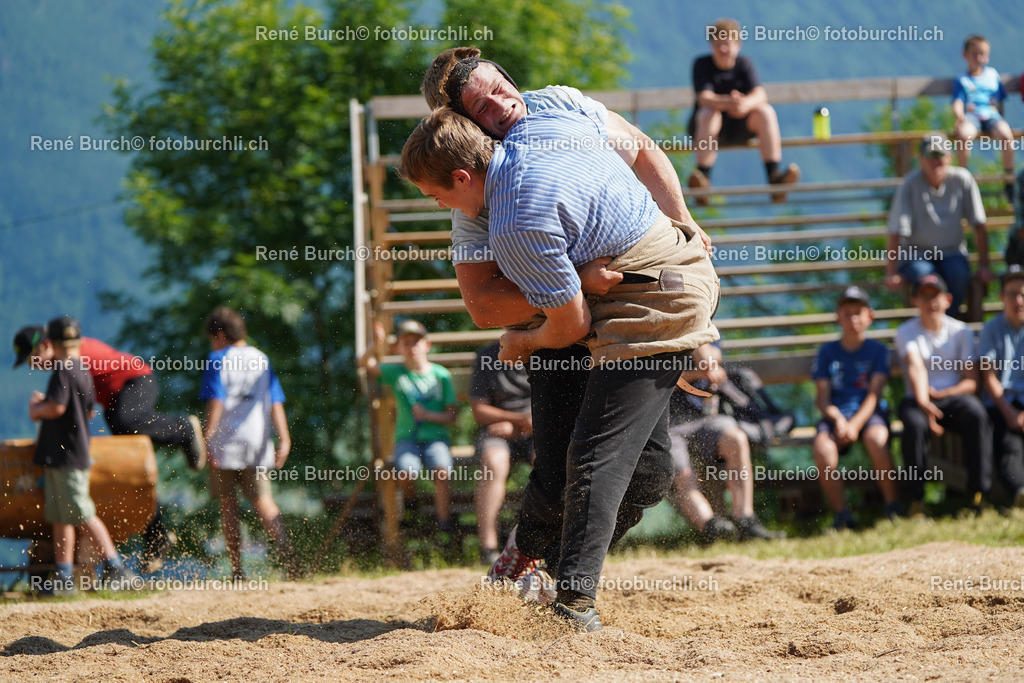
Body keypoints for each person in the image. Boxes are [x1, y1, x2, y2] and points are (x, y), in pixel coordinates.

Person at [401, 106, 719, 631]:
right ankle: (546, 577)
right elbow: (493, 307)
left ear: (461, 174)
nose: (502, 102)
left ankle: (560, 587)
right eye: (482, 102)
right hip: (595, 318)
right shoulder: (499, 193)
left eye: (437, 196)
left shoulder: (544, 138)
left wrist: (522, 337)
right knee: (589, 469)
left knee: (625, 467)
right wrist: (576, 283)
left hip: (645, 308)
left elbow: (642, 148)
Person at [14, 324, 207, 572]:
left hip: (136, 381)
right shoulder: (67, 360)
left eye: (32, 359)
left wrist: (44, 409)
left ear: (46, 345)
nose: (33, 366)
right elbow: (85, 406)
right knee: (132, 468)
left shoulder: (70, 360)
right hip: (116, 397)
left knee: (127, 423)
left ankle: (184, 430)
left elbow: (72, 407)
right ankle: (157, 536)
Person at [28, 316, 136, 595]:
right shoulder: (83, 369)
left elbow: (57, 408)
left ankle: (117, 567)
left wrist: (37, 408)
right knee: (61, 516)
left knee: (83, 513)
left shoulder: (62, 371)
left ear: (50, 343)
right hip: (69, 454)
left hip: (66, 457)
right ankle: (64, 577)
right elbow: (89, 411)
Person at [200, 307, 297, 580]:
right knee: (264, 501)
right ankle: (289, 558)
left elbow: (216, 401)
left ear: (219, 335)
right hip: (256, 443)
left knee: (228, 506)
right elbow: (275, 401)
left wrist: (207, 437)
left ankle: (238, 570)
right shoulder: (261, 358)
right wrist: (284, 438)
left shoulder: (217, 359)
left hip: (224, 444)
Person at [894, 274, 993, 513]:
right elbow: (915, 367)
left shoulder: (962, 331)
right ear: (915, 301)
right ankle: (915, 501)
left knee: (977, 414)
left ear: (947, 299)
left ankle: (979, 494)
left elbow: (971, 383)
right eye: (924, 296)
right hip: (918, 398)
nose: (931, 302)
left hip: (954, 399)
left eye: (935, 296)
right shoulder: (905, 332)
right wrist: (924, 402)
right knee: (915, 425)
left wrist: (943, 394)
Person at [668, 344, 783, 543]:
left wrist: (702, 351)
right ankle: (713, 528)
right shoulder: (664, 330)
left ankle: (745, 521)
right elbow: (661, 380)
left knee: (735, 439)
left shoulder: (702, 324)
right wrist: (698, 373)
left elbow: (713, 355)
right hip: (669, 423)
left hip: (707, 418)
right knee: (683, 472)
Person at [810, 287, 901, 530]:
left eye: (858, 313)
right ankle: (843, 515)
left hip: (869, 414)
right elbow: (822, 399)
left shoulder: (878, 351)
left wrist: (854, 425)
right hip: (836, 414)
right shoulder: (827, 352)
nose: (852, 319)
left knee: (877, 439)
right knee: (822, 449)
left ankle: (893, 508)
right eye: (847, 313)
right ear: (837, 316)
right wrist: (839, 420)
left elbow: (874, 395)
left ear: (869, 316)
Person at [359, 319, 458, 533]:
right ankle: (412, 505)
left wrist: (428, 415)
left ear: (427, 345)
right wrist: (375, 345)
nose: (411, 346)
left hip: (436, 437)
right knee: (405, 471)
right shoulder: (396, 373)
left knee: (442, 470)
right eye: (406, 342)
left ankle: (444, 524)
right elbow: (364, 363)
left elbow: (452, 416)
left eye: (416, 341)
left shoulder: (441, 375)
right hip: (407, 439)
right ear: (398, 348)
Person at [688, 17, 800, 204]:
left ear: (737, 45)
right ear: (711, 45)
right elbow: (704, 98)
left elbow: (760, 94)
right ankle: (703, 180)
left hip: (740, 127)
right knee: (708, 113)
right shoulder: (701, 64)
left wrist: (745, 104)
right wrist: (730, 102)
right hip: (707, 129)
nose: (722, 49)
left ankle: (775, 178)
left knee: (765, 111)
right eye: (718, 44)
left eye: (726, 44)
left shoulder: (745, 64)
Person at [885, 134, 991, 316]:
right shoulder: (909, 184)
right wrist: (891, 272)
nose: (936, 161)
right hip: (916, 254)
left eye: (940, 155)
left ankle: (949, 322)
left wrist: (984, 266)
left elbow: (979, 225)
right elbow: (895, 230)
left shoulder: (963, 179)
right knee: (928, 280)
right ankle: (931, 324)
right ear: (921, 159)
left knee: (958, 276)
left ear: (950, 157)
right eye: (931, 155)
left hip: (953, 252)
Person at [469, 339, 534, 565]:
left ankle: (551, 542)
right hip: (498, 432)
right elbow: (479, 411)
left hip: (538, 431)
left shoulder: (544, 351)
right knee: (493, 463)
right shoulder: (486, 356)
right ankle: (489, 548)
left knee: (549, 461)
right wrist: (516, 421)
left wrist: (532, 423)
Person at [978, 266, 1024, 508]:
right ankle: (1019, 493)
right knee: (1008, 444)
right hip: (1001, 403)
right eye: (1012, 294)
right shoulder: (991, 329)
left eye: (1022, 294)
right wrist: (1011, 413)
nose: (1018, 300)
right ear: (1002, 297)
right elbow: (989, 377)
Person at [951, 34, 1016, 201]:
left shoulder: (993, 75)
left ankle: (1009, 179)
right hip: (971, 116)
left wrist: (1001, 118)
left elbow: (999, 100)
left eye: (984, 54)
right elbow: (958, 101)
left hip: (992, 115)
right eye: (975, 54)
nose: (980, 58)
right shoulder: (963, 80)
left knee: (1007, 136)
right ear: (965, 55)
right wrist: (960, 117)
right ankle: (963, 179)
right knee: (964, 136)